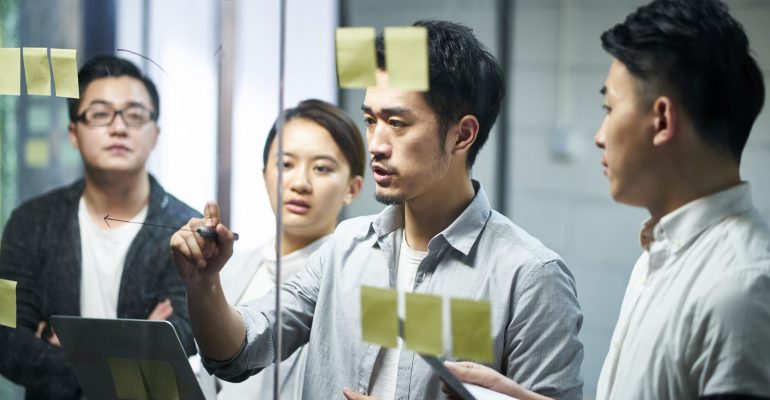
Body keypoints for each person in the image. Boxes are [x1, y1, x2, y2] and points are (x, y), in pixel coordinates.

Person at [172, 20, 584, 400]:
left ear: (463, 135)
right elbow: (239, 350)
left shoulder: (529, 277)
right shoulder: (347, 247)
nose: (375, 145)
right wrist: (204, 284)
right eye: (371, 120)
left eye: (398, 124)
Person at [443, 0, 770, 399]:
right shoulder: (664, 252)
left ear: (663, 120)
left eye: (609, 108)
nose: (600, 135)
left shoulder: (741, 288)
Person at [0, 55, 199, 399]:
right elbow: (6, 338)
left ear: (155, 135)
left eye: (134, 115)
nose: (119, 127)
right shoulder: (31, 222)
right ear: (74, 133)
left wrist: (74, 348)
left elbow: (185, 335)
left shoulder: (184, 229)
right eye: (100, 114)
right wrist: (133, 346)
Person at [214, 99, 364, 399]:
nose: (300, 182)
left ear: (352, 188)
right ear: (264, 174)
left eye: (321, 168)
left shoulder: (360, 281)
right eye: (285, 164)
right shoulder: (225, 272)